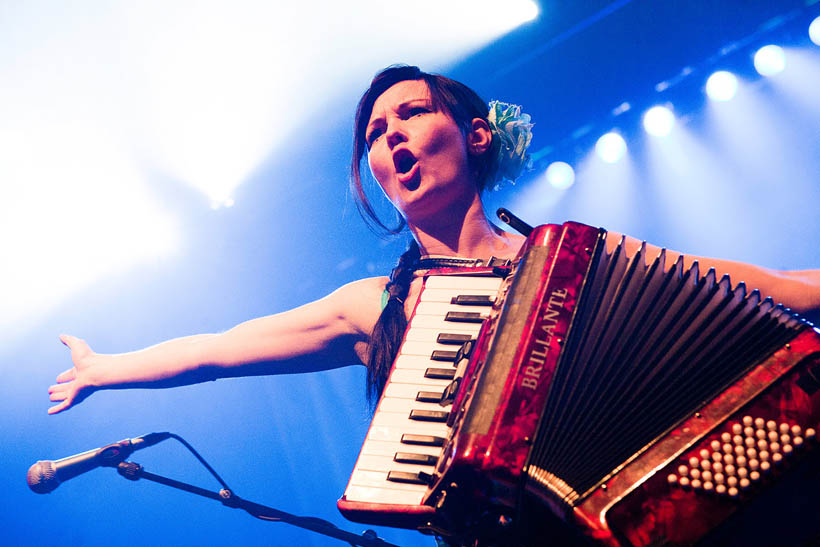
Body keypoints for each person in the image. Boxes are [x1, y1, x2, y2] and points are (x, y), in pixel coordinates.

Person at [48, 64, 820, 415]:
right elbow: (216, 351)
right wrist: (105, 367)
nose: (392, 140)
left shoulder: (577, 258)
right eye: (377, 136)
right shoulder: (374, 306)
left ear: (474, 134)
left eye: (410, 115)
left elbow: (768, 286)